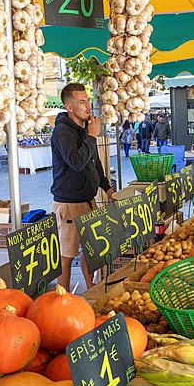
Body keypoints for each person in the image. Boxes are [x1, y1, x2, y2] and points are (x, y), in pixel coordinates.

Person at [50, 83, 114, 291]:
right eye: (82, 102)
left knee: (89, 249)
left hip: (88, 201)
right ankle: (64, 297)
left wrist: (108, 188)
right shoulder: (62, 132)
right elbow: (77, 162)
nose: (88, 106)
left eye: (88, 101)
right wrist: (93, 136)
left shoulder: (84, 130)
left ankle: (91, 289)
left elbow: (95, 163)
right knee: (66, 255)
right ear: (69, 107)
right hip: (68, 204)